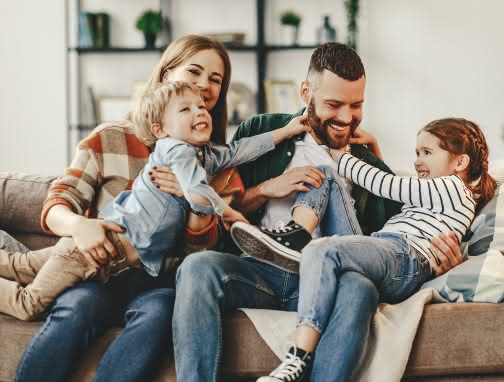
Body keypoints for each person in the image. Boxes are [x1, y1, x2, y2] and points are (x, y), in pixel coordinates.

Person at [171, 42, 465, 382]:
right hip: (260, 273)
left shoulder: (364, 158)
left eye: (356, 105)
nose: (345, 118)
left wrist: (442, 258)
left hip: (330, 280)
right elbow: (220, 213)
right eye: (334, 104)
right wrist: (265, 189)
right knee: (197, 267)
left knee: (360, 287)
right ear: (306, 92)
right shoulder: (261, 130)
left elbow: (396, 240)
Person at [0, 34, 234, 382]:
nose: (204, 85)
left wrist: (193, 200)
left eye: (215, 80)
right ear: (167, 74)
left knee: (160, 312)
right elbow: (57, 204)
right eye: (194, 72)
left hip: (156, 279)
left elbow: (198, 252)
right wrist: (81, 226)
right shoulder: (111, 136)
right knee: (78, 306)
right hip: (96, 270)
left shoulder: (211, 162)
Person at [0, 80, 308, 321]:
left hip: (105, 261)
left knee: (20, 265)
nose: (200, 112)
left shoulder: (203, 155)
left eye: (201, 106)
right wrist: (228, 213)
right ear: (160, 131)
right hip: (90, 251)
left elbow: (241, 149)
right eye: (185, 109)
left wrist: (285, 131)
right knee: (29, 305)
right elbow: (197, 192)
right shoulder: (176, 150)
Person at [249, 117, 496, 381]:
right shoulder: (438, 193)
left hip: (404, 256)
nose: (417, 160)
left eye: (427, 152)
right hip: (384, 248)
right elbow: (399, 193)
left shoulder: (453, 187)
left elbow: (387, 185)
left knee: (322, 249)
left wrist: (341, 156)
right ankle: (296, 236)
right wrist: (374, 151)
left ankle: (297, 357)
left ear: (460, 162)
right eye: (416, 153)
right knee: (326, 176)